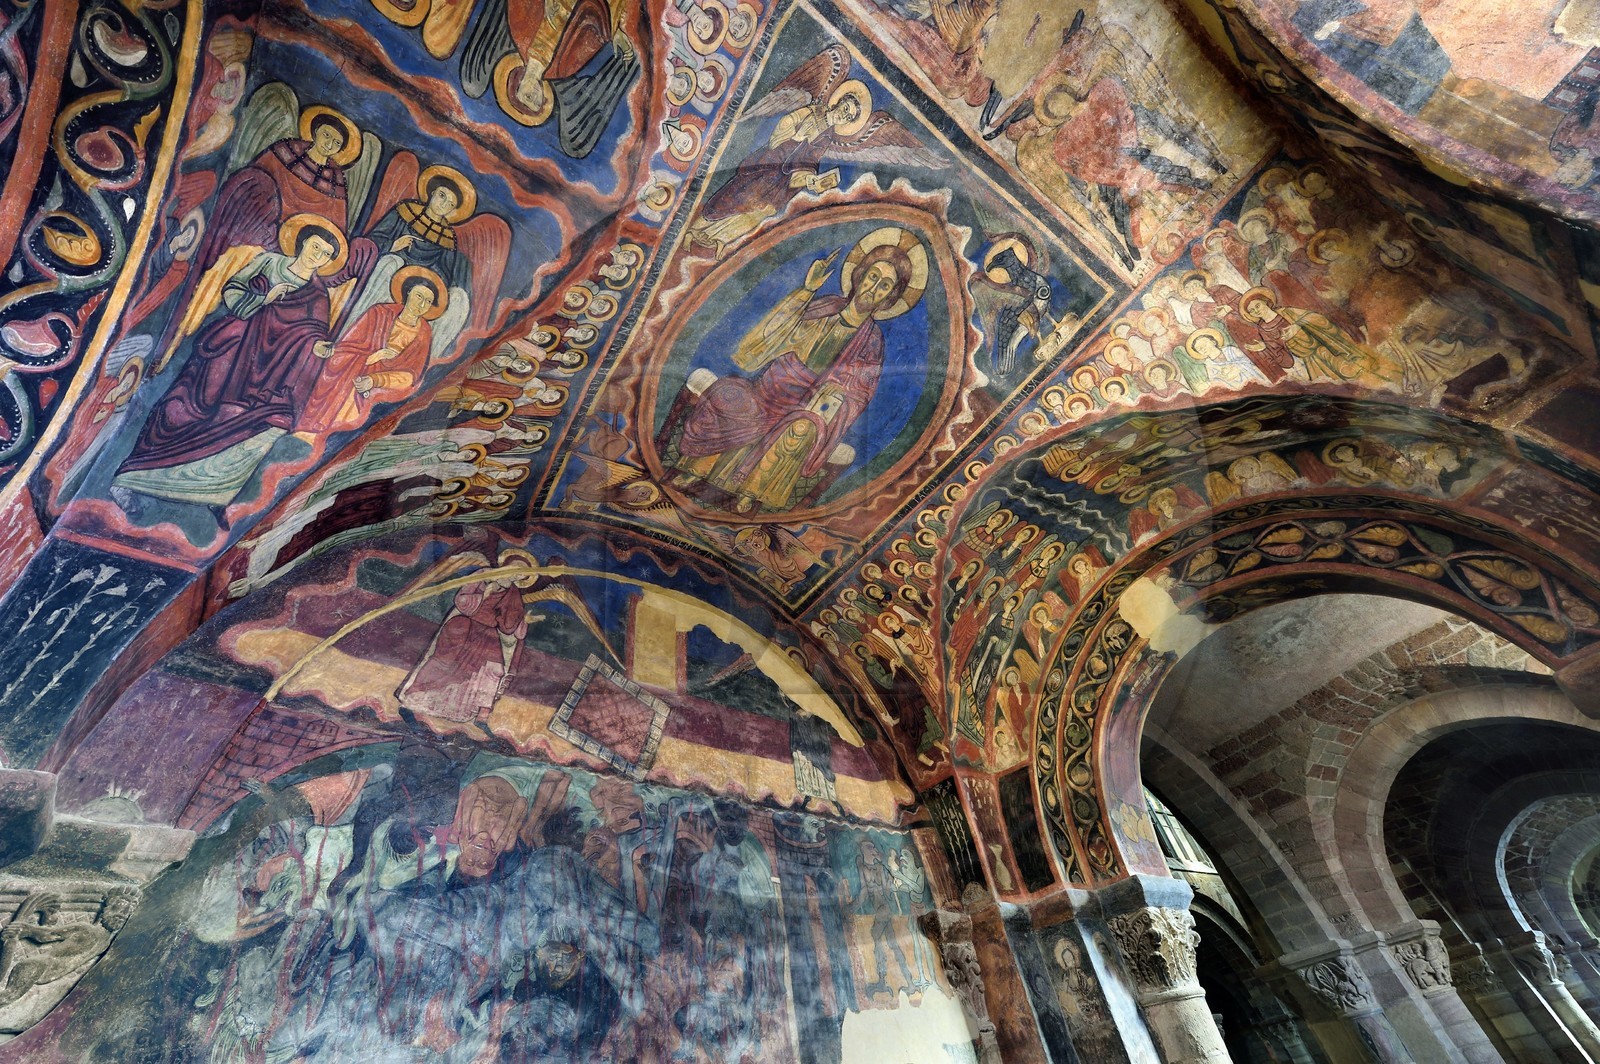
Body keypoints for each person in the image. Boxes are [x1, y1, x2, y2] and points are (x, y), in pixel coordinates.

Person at [661, 226, 928, 513]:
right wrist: (807, 290)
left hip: (805, 407)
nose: (873, 288)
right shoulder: (825, 306)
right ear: (860, 275)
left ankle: (750, 493)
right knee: (728, 393)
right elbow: (772, 336)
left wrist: (836, 395)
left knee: (801, 430)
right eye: (873, 277)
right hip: (766, 390)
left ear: (889, 298)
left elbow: (860, 394)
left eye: (885, 286)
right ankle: (696, 471)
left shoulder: (872, 342)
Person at [110, 215, 346, 524]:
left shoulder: (318, 294)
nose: (319, 255)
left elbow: (313, 334)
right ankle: (130, 480)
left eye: (326, 254)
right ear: (302, 243)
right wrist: (263, 299)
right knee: (182, 409)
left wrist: (319, 348)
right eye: (316, 246)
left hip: (273, 371)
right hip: (232, 352)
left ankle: (215, 493)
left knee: (270, 424)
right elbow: (233, 290)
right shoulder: (269, 262)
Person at [298, 267, 446, 435]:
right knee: (346, 377)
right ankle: (317, 428)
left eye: (428, 301)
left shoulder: (424, 332)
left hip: (386, 380)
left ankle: (333, 431)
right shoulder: (379, 312)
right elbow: (347, 347)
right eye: (419, 296)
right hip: (354, 369)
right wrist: (375, 356)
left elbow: (412, 375)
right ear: (408, 293)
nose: (421, 304)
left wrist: (375, 379)